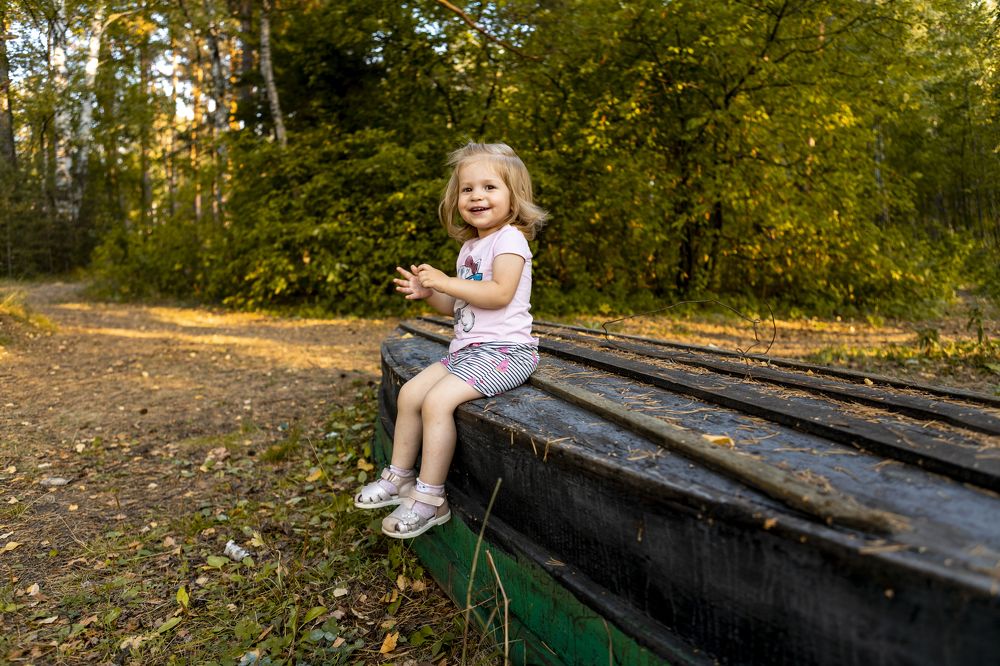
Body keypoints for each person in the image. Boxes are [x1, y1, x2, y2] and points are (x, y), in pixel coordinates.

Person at [354, 142, 547, 539]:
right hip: (469, 351)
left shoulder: (510, 241)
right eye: (467, 189)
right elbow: (459, 305)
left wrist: (446, 280)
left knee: (438, 402)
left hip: (507, 353)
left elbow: (498, 294)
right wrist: (433, 294)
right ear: (455, 198)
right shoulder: (470, 246)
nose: (477, 196)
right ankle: (400, 477)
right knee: (410, 395)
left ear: (514, 197)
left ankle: (431, 499)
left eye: (490, 187)